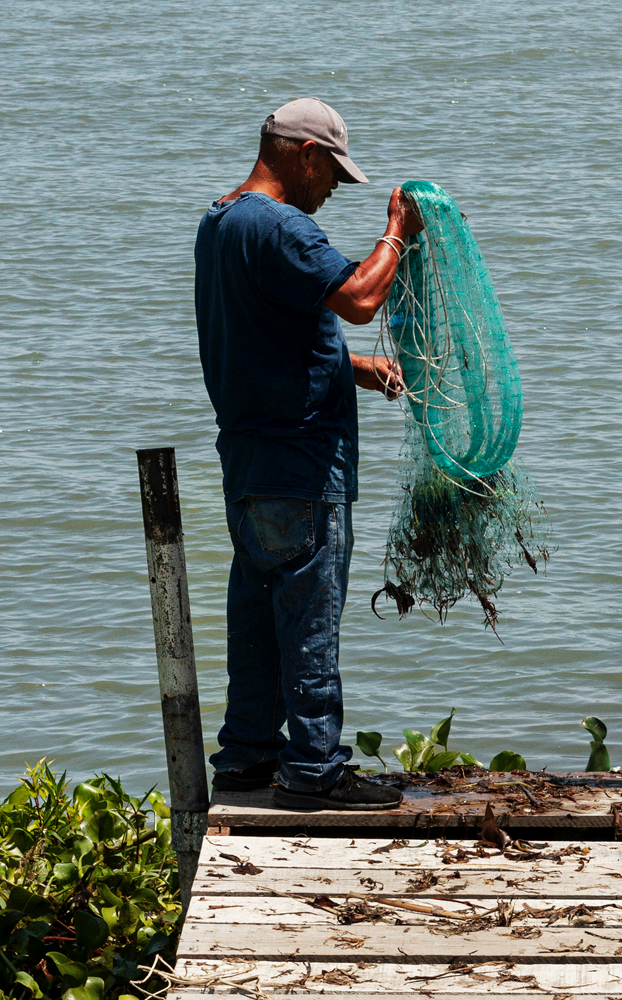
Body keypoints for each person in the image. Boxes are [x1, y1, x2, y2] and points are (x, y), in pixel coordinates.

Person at [193, 98, 423, 810]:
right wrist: (395, 233)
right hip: (301, 466)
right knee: (311, 616)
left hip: (250, 463)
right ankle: (315, 771)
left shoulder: (221, 221)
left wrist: (357, 369)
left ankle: (245, 762)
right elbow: (356, 297)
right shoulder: (283, 225)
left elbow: (271, 335)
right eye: (332, 176)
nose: (331, 192)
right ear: (304, 154)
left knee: (260, 615)